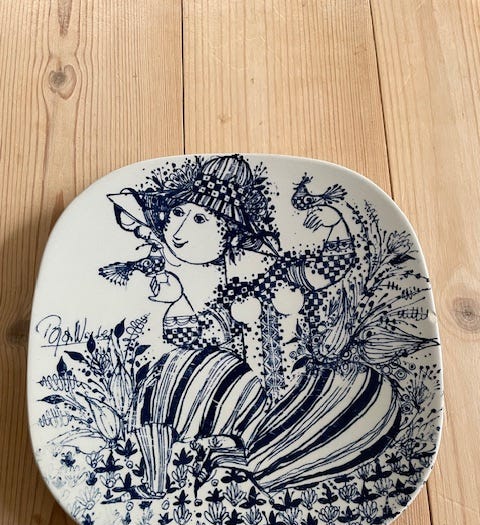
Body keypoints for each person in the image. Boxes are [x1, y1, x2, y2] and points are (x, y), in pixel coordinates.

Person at [105, 154, 401, 497]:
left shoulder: (286, 274)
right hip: (250, 406)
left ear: (232, 234)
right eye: (177, 214)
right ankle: (167, 472)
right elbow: (191, 339)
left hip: (303, 394)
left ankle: (260, 462)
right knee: (176, 372)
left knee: (370, 397)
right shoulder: (229, 297)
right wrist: (178, 301)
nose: (179, 232)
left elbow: (333, 265)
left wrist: (335, 224)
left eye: (199, 218)